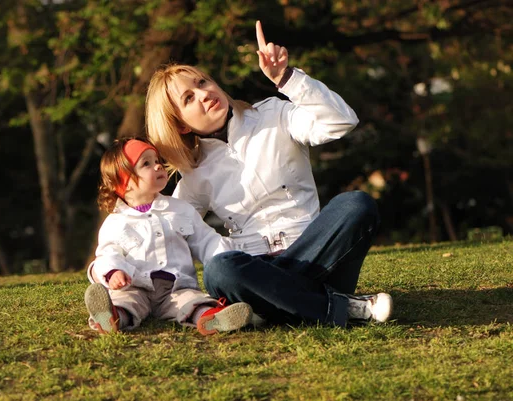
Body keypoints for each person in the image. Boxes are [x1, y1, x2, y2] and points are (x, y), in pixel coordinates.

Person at [144, 21, 393, 328]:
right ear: (181, 125)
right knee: (219, 270)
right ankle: (338, 308)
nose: (204, 94)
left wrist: (286, 79)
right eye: (188, 99)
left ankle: (274, 308)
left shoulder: (274, 114)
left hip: (318, 256)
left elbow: (342, 122)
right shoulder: (193, 174)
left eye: (202, 83)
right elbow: (168, 232)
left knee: (357, 205)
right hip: (254, 265)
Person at [84, 137, 253, 335]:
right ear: (125, 182)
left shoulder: (180, 209)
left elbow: (206, 240)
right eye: (146, 163)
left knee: (192, 301)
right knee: (125, 301)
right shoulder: (115, 222)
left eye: (157, 160)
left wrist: (231, 258)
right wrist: (113, 272)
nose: (157, 166)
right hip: (134, 286)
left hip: (177, 287)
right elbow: (107, 254)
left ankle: (212, 318)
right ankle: (111, 317)